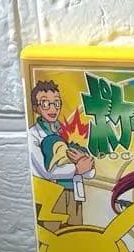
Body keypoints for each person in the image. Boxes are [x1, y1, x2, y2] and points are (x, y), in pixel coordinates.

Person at [28, 80, 95, 229]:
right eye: (45, 104)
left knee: (75, 234)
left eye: (56, 103)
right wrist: (77, 169)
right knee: (52, 233)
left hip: (74, 192)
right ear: (36, 108)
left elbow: (89, 170)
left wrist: (85, 165)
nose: (53, 108)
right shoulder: (33, 135)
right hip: (51, 194)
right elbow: (46, 172)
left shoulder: (69, 130)